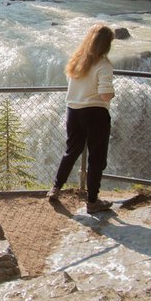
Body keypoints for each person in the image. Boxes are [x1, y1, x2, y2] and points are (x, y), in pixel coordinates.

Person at [47, 23, 115, 214]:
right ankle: (92, 202)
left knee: (71, 151)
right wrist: (112, 92)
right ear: (106, 44)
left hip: (73, 111)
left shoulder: (77, 60)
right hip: (95, 113)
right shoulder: (103, 64)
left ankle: (55, 188)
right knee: (96, 158)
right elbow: (105, 95)